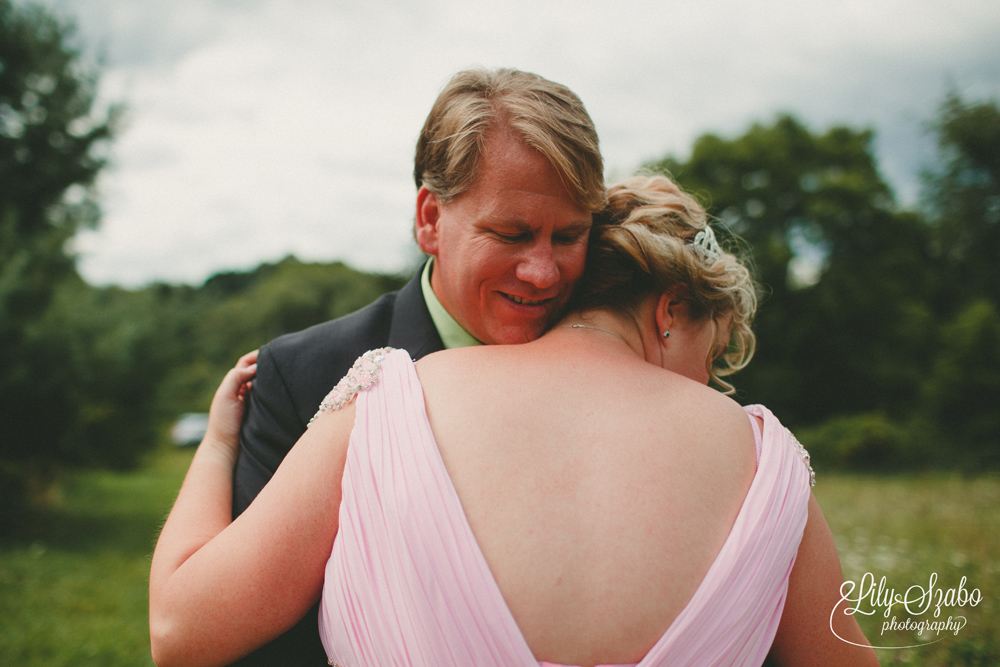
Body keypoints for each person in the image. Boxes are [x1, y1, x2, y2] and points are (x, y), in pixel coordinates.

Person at [150, 174, 878, 666]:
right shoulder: (761, 459)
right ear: (670, 310)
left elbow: (181, 631)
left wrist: (217, 447)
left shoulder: (388, 397)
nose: (708, 384)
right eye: (713, 352)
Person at [229, 67, 605, 664]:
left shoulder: (621, 375)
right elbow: (262, 642)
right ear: (430, 219)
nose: (544, 272)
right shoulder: (301, 376)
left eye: (570, 236)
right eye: (511, 233)